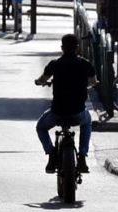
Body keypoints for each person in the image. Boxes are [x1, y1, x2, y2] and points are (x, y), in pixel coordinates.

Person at [34, 33, 97, 174]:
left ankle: (51, 154)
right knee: (87, 123)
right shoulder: (85, 64)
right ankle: (82, 156)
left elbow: (42, 79)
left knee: (41, 127)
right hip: (78, 112)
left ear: (62, 48)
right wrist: (88, 84)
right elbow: (93, 82)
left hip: (57, 112)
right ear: (77, 47)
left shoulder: (55, 64)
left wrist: (39, 82)